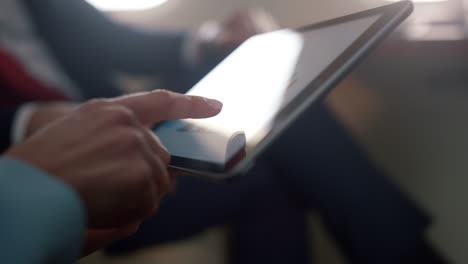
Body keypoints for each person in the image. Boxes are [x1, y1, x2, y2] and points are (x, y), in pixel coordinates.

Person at [0, 0, 445, 263]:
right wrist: (29, 121)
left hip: (125, 132)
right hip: (41, 176)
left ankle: (398, 247)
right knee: (273, 166)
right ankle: (403, 250)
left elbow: (106, 40)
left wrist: (206, 37)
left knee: (267, 139)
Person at [0, 90, 223, 263]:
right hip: (93, 183)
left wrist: (197, 42)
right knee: (252, 179)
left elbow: (110, 43)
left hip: (129, 127)